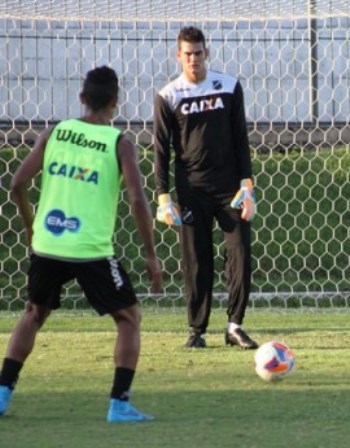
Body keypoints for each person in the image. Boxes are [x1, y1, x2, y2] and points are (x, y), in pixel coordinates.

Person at [0, 66, 163, 422]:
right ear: (116, 103)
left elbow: (15, 185)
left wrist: (31, 227)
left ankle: (2, 394)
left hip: (48, 244)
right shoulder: (118, 143)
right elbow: (137, 200)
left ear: (82, 98)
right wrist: (151, 255)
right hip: (90, 250)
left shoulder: (54, 132)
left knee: (34, 313)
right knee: (129, 317)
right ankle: (119, 404)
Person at [154, 26, 258, 349]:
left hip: (230, 189)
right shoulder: (168, 95)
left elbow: (240, 139)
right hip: (191, 191)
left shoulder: (228, 87)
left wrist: (248, 185)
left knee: (239, 251)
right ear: (178, 56)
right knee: (197, 260)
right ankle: (197, 330)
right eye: (188, 54)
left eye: (199, 53)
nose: (194, 59)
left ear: (206, 53)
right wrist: (163, 198)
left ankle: (235, 326)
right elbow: (161, 150)